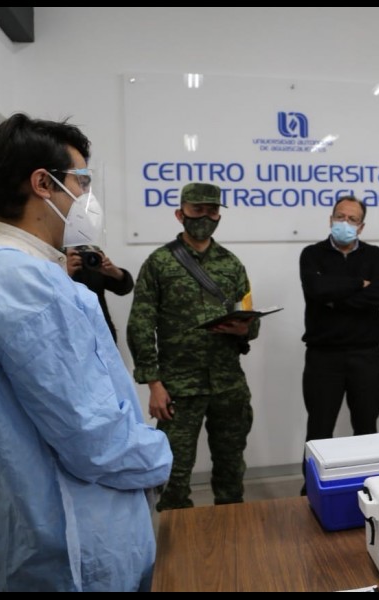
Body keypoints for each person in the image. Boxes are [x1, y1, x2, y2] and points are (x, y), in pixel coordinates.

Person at [0, 113, 172, 592]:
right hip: (81, 542)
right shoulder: (27, 283)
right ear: (43, 184)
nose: (86, 197)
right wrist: (158, 455)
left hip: (38, 528)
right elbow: (93, 438)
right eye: (81, 182)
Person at [127, 182, 259, 511]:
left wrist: (244, 328)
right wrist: (153, 384)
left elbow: (249, 317)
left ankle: (231, 532)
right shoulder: (160, 263)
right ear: (180, 214)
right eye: (197, 210)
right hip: (179, 386)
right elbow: (141, 324)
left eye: (212, 211)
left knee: (231, 470)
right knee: (173, 475)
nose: (205, 217)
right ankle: (178, 540)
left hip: (228, 383)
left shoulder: (231, 264)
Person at [299, 196, 379, 492]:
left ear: (361, 226)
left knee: (366, 427)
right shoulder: (311, 254)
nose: (345, 223)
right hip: (323, 357)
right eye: (340, 217)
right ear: (330, 220)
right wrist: (357, 284)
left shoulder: (375, 255)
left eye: (352, 219)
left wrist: (334, 297)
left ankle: (367, 488)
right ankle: (312, 490)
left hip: (365, 355)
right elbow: (315, 290)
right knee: (319, 428)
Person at [64, 245, 134, 342]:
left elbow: (124, 288)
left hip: (100, 333)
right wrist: (63, 272)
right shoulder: (51, 259)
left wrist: (114, 272)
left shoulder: (91, 253)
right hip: (69, 334)